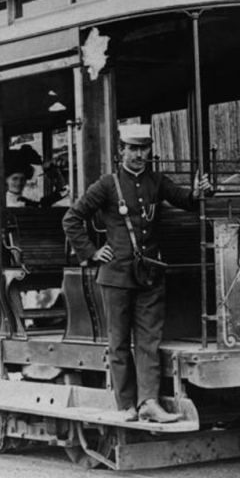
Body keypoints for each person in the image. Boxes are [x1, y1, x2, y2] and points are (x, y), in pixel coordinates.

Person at [62, 124, 213, 423]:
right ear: (121, 151)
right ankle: (125, 406)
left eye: (143, 149)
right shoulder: (107, 185)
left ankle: (148, 403)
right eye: (132, 149)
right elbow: (72, 218)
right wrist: (92, 253)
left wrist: (198, 192)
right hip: (115, 276)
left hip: (149, 275)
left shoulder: (157, 181)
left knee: (148, 343)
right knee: (118, 343)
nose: (139, 155)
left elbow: (186, 200)